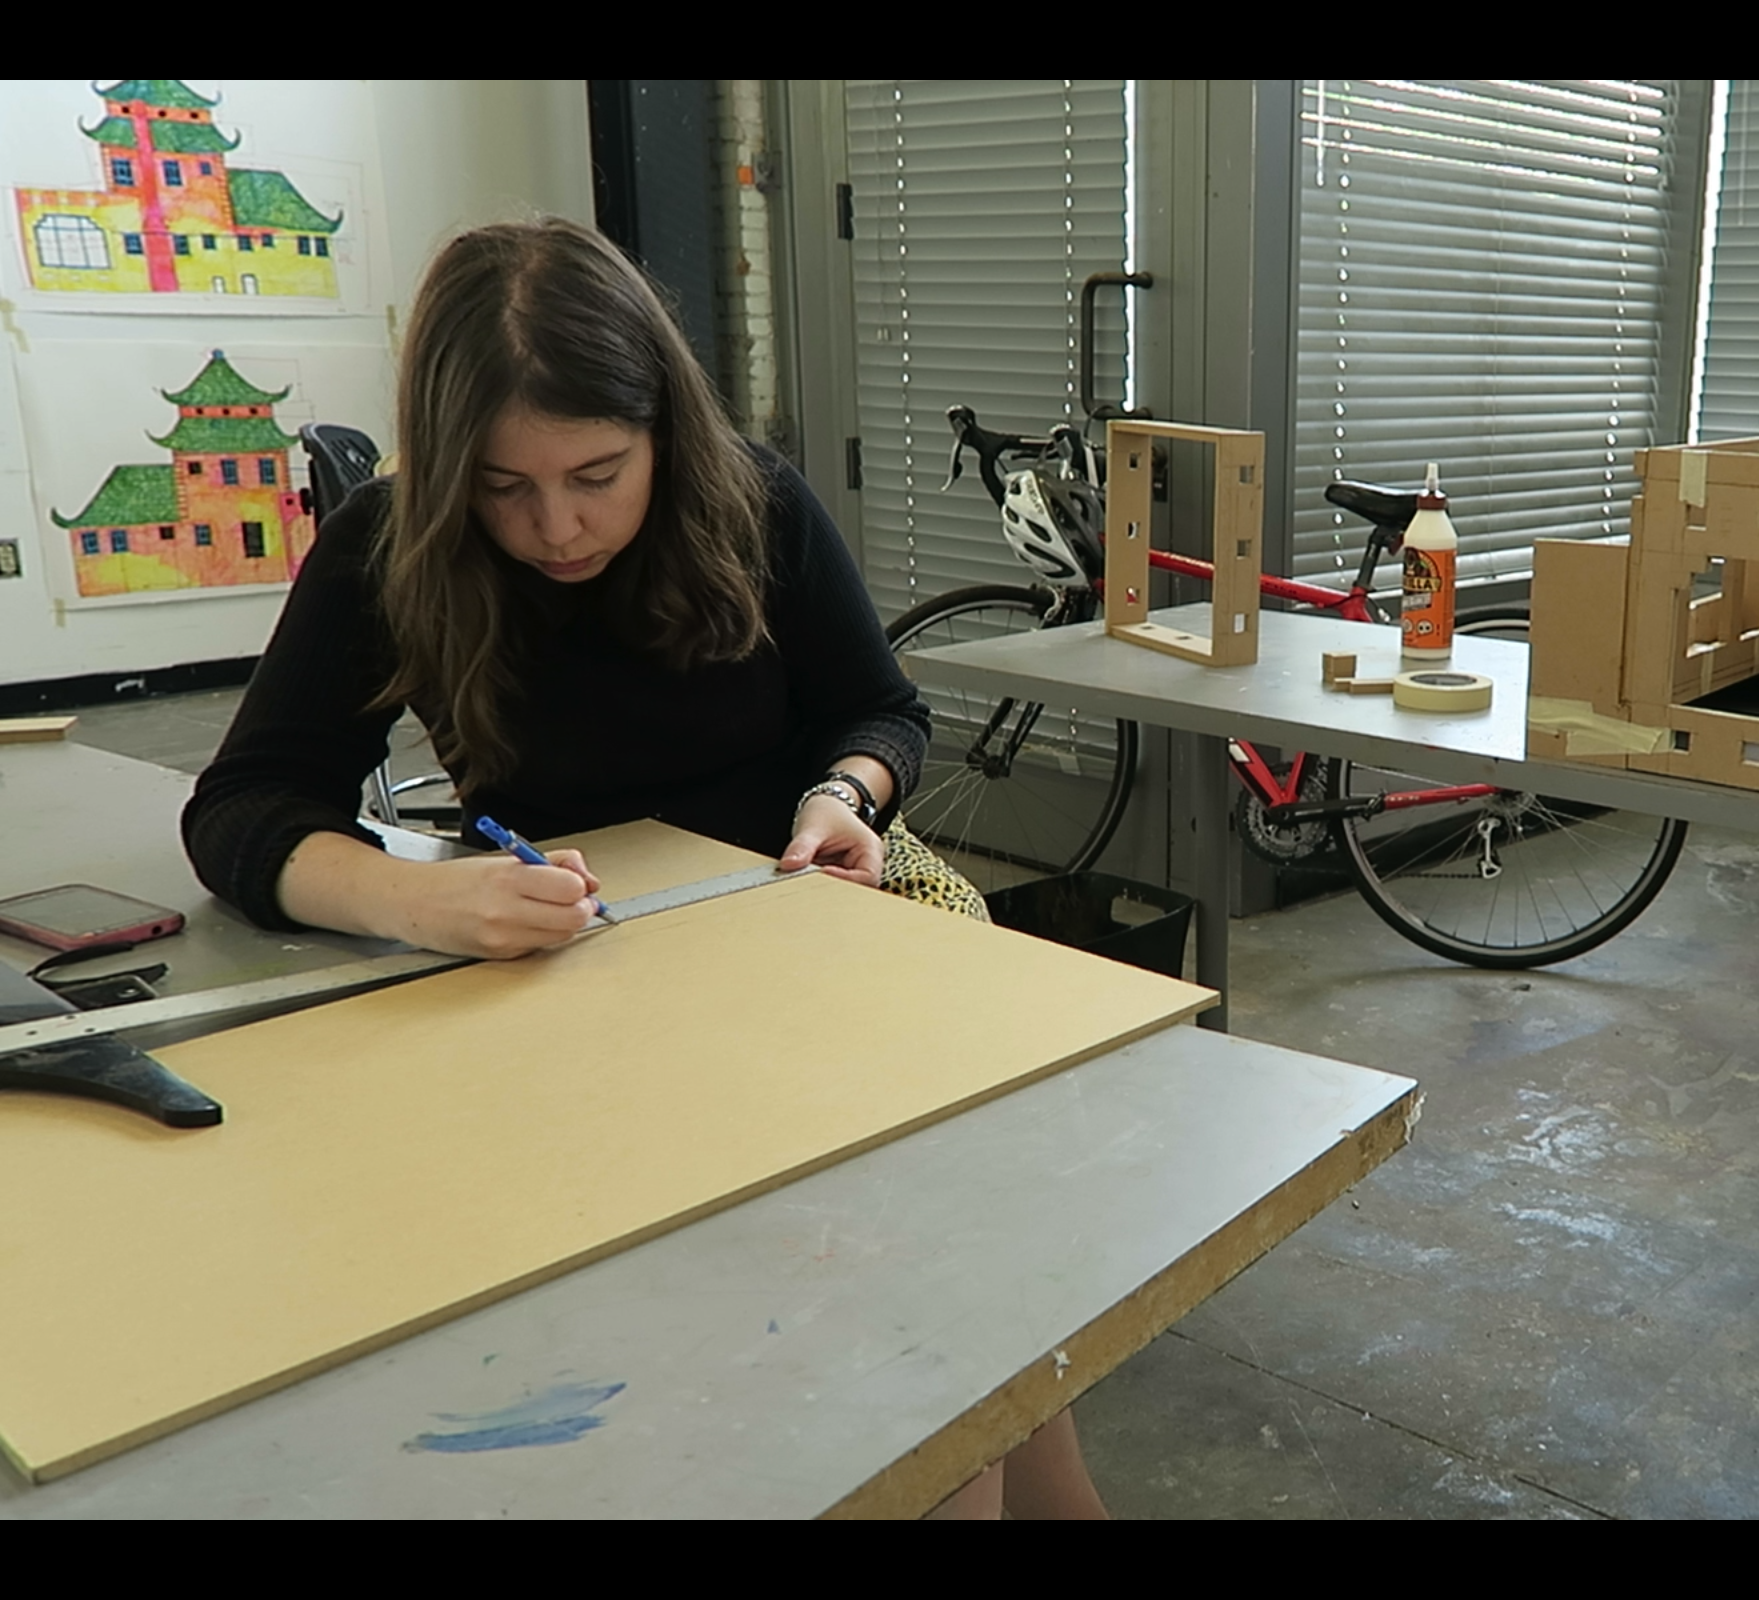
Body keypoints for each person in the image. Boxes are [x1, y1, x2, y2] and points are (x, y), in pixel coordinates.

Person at [182, 216, 1103, 1519]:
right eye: (503, 486)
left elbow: (882, 709)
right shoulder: (394, 546)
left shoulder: (753, 500)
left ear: (662, 428)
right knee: (905, 1318)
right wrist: (420, 895)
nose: (556, 525)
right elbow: (243, 806)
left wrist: (845, 796)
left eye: (598, 474)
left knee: (943, 1288)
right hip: (597, 953)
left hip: (825, 897)